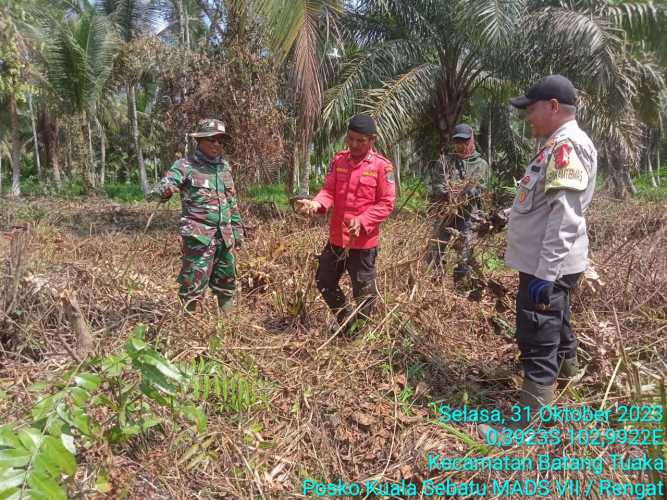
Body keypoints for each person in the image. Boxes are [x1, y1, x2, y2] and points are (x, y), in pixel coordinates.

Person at [479, 75, 597, 440]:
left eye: (530, 109)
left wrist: (546, 274)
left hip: (548, 266)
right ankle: (569, 373)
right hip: (551, 263)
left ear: (553, 107)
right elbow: (543, 204)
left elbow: (566, 215)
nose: (526, 117)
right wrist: (506, 215)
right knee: (557, 322)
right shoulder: (554, 145)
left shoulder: (567, 147)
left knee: (538, 334)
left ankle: (527, 425)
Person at [296, 115, 396, 334]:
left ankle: (359, 335)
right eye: (350, 139)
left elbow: (387, 203)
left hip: (363, 244)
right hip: (337, 239)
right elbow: (329, 191)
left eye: (360, 140)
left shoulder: (382, 167)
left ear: (372, 140)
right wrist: (316, 204)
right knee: (324, 281)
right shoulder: (339, 161)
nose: (354, 145)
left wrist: (363, 220)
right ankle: (345, 321)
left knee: (365, 294)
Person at [152, 119, 244, 313]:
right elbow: (165, 184)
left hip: (224, 237)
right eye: (211, 140)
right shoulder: (185, 166)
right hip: (199, 237)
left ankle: (227, 327)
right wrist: (166, 189)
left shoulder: (224, 168)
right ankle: (188, 327)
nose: (216, 145)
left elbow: (232, 203)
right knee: (192, 284)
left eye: (220, 141)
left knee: (227, 283)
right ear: (199, 141)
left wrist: (237, 231)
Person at [426, 123, 489, 286]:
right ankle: (435, 283)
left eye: (464, 141)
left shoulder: (481, 164)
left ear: (472, 139)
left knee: (465, 252)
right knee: (435, 248)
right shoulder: (445, 162)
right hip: (445, 212)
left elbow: (481, 188)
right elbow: (437, 183)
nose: (461, 145)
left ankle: (461, 286)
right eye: (458, 141)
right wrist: (447, 193)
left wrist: (464, 194)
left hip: (468, 215)